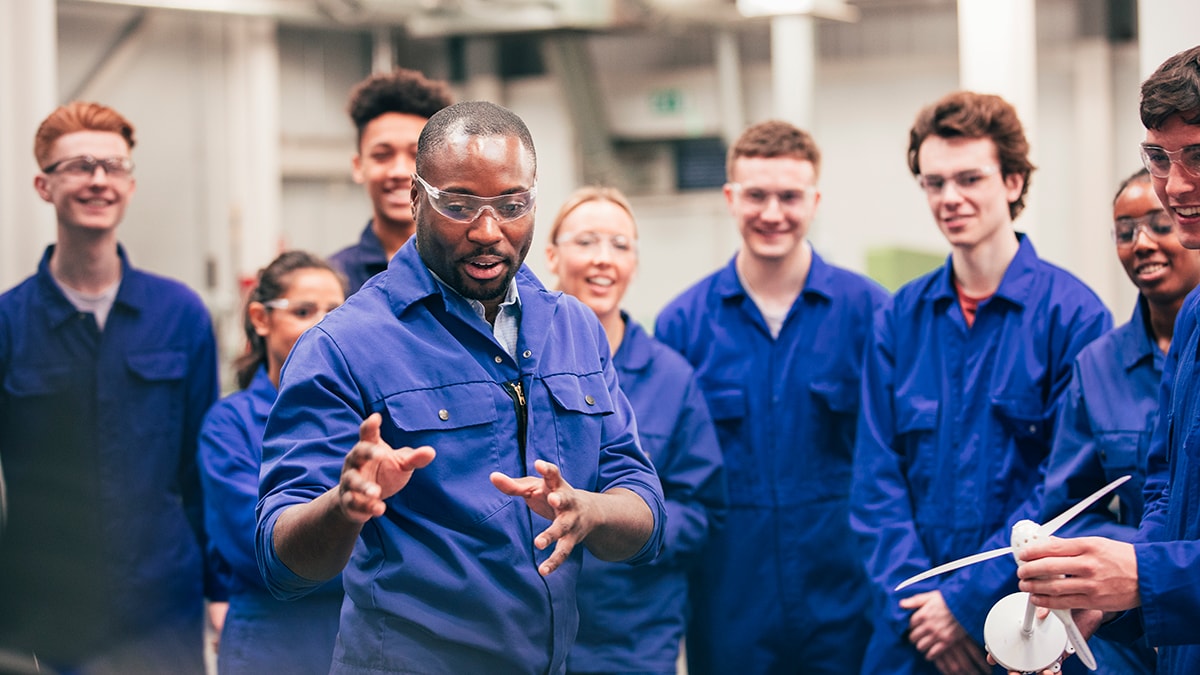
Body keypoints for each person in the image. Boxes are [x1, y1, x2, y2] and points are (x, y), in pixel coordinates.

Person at [255, 100, 667, 674]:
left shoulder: (573, 327)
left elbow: (644, 509)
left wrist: (590, 511)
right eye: (459, 204)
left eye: (512, 205)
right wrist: (344, 507)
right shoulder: (343, 346)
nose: (487, 231)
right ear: (415, 199)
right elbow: (282, 562)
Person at [849, 90, 1112, 675]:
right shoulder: (898, 320)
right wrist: (924, 610)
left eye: (969, 178)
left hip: (1024, 623)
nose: (950, 198)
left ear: (1014, 182)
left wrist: (967, 606)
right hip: (910, 631)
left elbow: (1066, 487)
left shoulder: (1073, 317)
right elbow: (875, 482)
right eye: (934, 182)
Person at [655, 120, 887, 674]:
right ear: (731, 198)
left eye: (790, 196)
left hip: (847, 595)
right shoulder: (683, 324)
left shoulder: (872, 313)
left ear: (815, 200)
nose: (773, 212)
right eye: (756, 195)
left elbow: (894, 463)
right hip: (730, 601)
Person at [0, 101, 218, 672]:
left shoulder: (181, 315)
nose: (98, 179)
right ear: (43, 185)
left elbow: (200, 470)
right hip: (46, 606)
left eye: (112, 166)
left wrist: (214, 583)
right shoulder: (7, 325)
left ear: (130, 183)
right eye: (78, 166)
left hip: (162, 603)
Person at [1014, 44, 1200, 675]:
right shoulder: (1194, 320)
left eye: (1198, 156)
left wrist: (1147, 577)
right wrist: (1100, 593)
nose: (1176, 185)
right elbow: (1163, 493)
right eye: (1158, 158)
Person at [544, 187, 727, 674]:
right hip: (528, 628)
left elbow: (702, 511)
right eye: (586, 241)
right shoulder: (517, 366)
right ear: (551, 255)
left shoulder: (672, 378)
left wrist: (618, 523)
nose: (604, 259)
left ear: (635, 264)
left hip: (632, 637)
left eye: (620, 245)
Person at [199, 251, 346, 674]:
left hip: (353, 640)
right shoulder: (230, 425)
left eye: (335, 311)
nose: (323, 324)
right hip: (273, 647)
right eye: (303, 311)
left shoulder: (365, 419)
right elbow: (260, 553)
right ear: (261, 319)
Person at [329, 67, 454, 293]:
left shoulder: (466, 271)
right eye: (381, 155)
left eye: (416, 155)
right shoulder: (335, 281)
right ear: (358, 166)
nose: (399, 172)